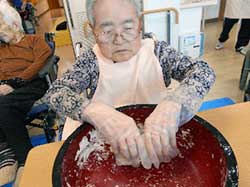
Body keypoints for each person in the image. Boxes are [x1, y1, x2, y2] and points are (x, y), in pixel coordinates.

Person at [45, 0, 215, 169]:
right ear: (93, 30)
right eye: (106, 30)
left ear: (139, 24)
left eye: (128, 28)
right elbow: (56, 92)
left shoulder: (158, 53)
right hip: (106, 146)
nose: (119, 40)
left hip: (157, 140)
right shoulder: (90, 62)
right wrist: (96, 112)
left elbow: (203, 71)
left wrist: (174, 103)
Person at [0, 1, 52, 186]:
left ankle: (25, 158)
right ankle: (6, 153)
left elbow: (42, 61)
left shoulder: (34, 40)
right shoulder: (1, 48)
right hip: (5, 87)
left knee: (3, 106)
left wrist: (16, 82)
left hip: (31, 84)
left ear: (14, 23)